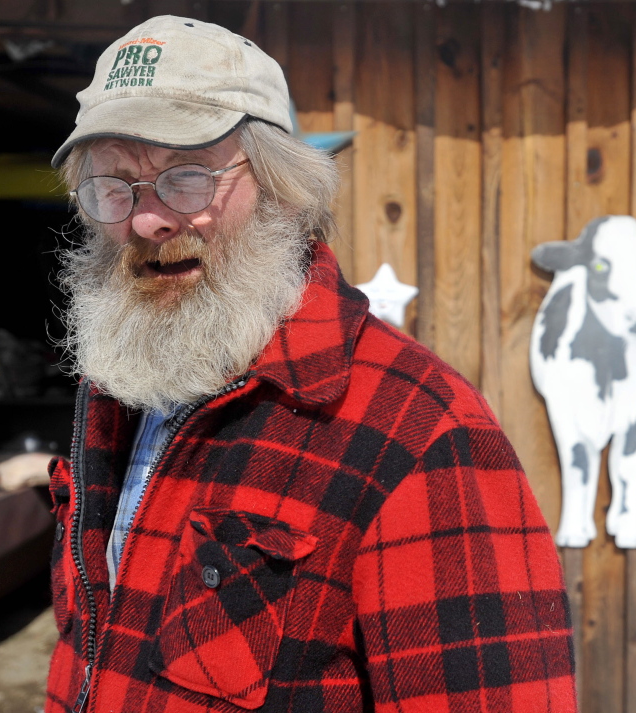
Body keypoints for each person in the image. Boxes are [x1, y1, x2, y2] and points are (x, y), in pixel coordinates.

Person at [45, 15, 575, 713]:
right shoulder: (123, 381)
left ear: (283, 188)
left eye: (187, 178)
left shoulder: (420, 431)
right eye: (115, 186)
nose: (147, 221)